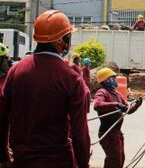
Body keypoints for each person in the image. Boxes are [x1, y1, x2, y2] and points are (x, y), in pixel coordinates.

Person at [0, 10, 91, 168]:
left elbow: (1, 119)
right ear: (61, 40)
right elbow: (79, 133)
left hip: (22, 161)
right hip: (58, 162)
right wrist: (83, 164)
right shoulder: (71, 77)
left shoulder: (15, 71)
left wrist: (3, 158)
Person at [93, 67, 142, 168]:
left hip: (117, 133)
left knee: (120, 159)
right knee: (114, 160)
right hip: (108, 133)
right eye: (113, 77)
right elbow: (97, 105)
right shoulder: (102, 92)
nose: (115, 79)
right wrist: (115, 104)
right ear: (106, 80)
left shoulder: (117, 94)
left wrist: (136, 105)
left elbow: (128, 110)